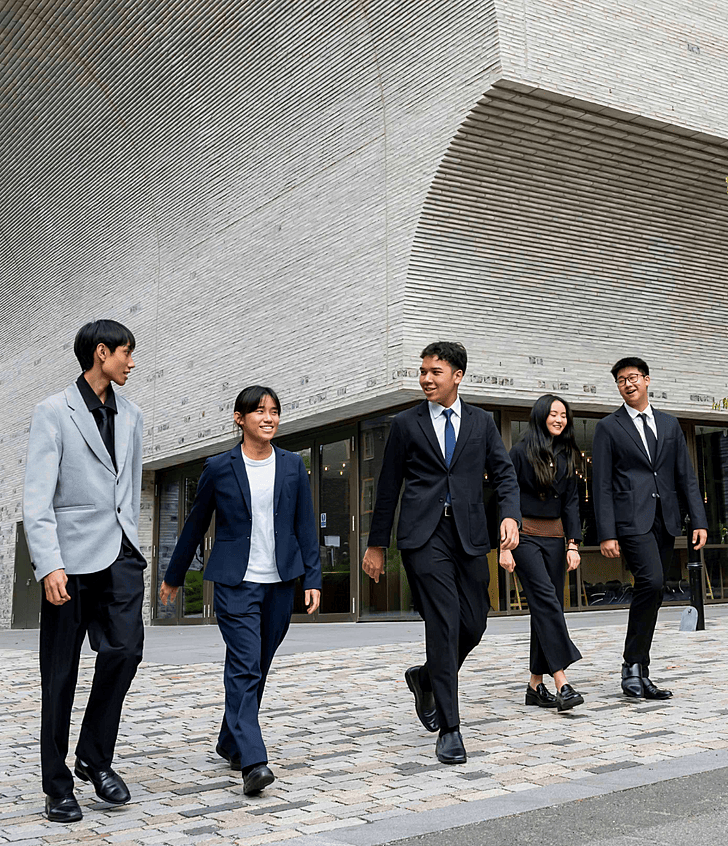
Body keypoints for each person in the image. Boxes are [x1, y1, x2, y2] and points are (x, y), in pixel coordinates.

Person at [363, 341, 521, 765]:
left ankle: (428, 677)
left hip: (469, 535)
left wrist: (510, 516)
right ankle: (450, 728)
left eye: (435, 371)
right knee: (444, 623)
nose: (426, 379)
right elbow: (388, 486)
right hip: (422, 536)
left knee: (474, 622)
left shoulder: (482, 422)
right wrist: (376, 544)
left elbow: (504, 474)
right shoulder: (406, 423)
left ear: (457, 376)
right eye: (422, 371)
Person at [159, 386, 321, 795]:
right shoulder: (219, 467)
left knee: (259, 665)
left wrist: (313, 579)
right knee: (246, 665)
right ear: (239, 418)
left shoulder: (291, 465)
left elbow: (305, 525)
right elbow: (195, 524)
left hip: (280, 582)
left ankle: (230, 740)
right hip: (236, 582)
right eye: (259, 411)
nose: (269, 418)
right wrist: (174, 576)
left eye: (274, 411)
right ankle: (254, 761)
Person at [23, 320, 145, 823]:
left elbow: (130, 486)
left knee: (125, 650)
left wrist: (133, 543)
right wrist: (49, 564)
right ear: (101, 353)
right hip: (69, 563)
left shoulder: (133, 414)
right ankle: (57, 786)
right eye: (126, 354)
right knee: (60, 673)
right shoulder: (53, 411)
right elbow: (37, 496)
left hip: (119, 557)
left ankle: (93, 756)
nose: (132, 363)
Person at [592, 357, 708, 699]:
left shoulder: (669, 425)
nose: (628, 384)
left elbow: (685, 475)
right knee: (652, 580)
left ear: (646, 380)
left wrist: (698, 520)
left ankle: (640, 670)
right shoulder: (608, 427)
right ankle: (631, 665)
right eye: (621, 381)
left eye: (633, 378)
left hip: (666, 517)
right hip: (631, 519)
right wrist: (607, 532)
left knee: (655, 591)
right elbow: (601, 484)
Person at [499, 395, 584, 712]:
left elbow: (571, 503)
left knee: (546, 608)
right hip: (524, 539)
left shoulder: (567, 455)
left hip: (555, 539)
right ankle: (562, 682)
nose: (560, 419)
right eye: (554, 414)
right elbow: (505, 498)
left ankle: (535, 685)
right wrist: (504, 546)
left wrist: (573, 544)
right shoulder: (520, 452)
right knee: (547, 601)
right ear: (540, 416)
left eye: (564, 415)